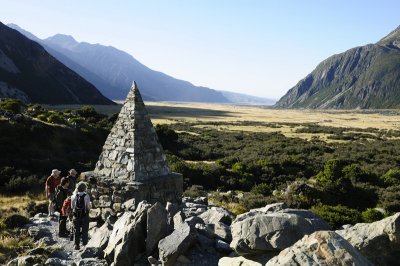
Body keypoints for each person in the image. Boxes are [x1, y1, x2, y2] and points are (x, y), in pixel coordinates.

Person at [71, 182, 91, 250]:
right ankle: (85, 245)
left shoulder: (73, 196)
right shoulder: (87, 196)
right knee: (85, 231)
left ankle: (76, 245)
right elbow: (88, 206)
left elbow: (72, 206)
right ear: (84, 188)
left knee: (76, 230)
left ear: (77, 188)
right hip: (84, 216)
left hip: (76, 216)